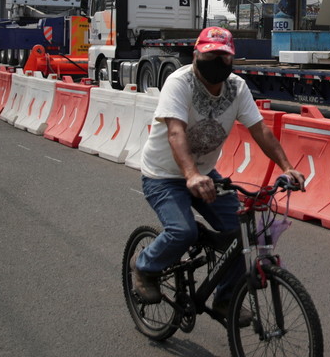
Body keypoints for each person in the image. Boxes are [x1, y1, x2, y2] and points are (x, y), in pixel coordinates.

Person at [131, 26, 305, 323]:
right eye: (210, 55)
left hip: (205, 174)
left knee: (243, 233)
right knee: (182, 232)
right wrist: (190, 175)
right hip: (163, 175)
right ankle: (144, 266)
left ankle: (226, 300)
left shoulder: (237, 88)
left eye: (223, 56)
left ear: (231, 58)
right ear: (196, 54)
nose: (216, 62)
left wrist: (287, 167)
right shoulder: (180, 82)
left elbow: (260, 130)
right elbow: (175, 132)